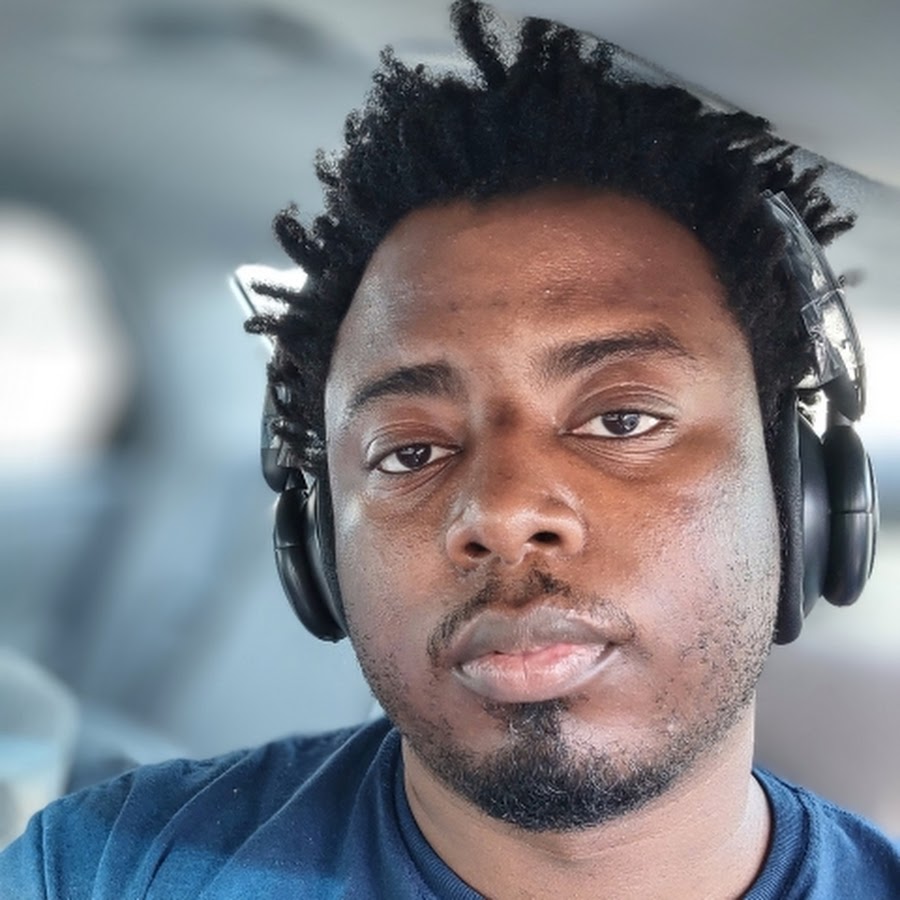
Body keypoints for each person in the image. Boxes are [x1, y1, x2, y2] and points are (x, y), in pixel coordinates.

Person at [1, 2, 896, 897]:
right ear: (318, 548)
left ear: (802, 501)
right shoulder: (99, 869)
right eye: (409, 453)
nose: (501, 512)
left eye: (622, 420)